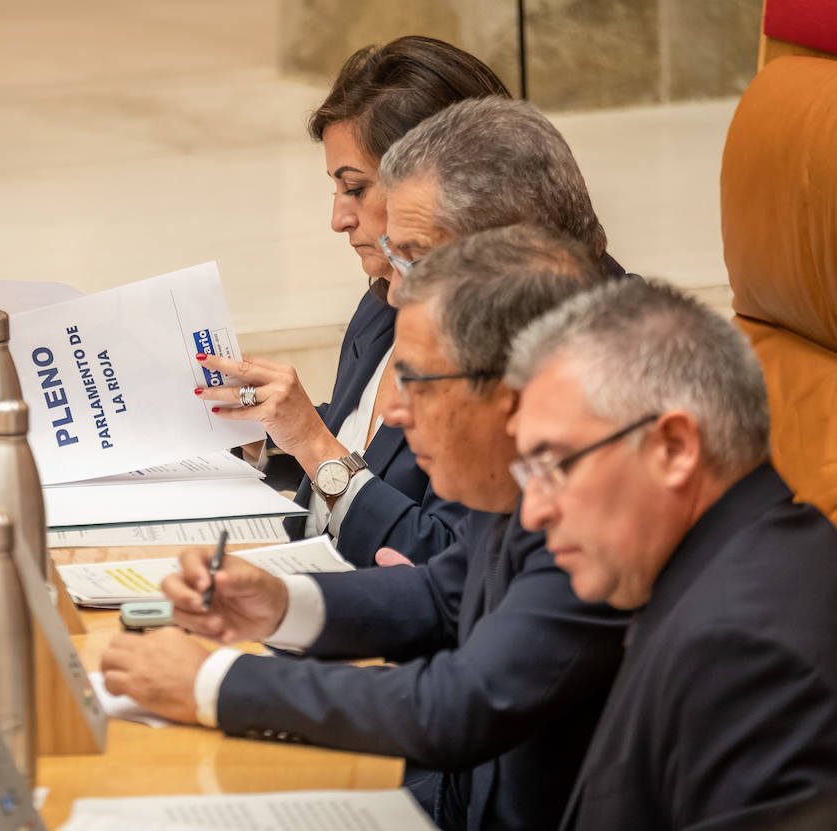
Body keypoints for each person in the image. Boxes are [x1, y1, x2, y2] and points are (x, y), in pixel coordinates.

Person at [105, 224, 629, 831]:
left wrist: (214, 682)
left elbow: (458, 706)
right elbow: (442, 592)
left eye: (418, 383)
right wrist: (277, 603)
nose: (395, 414)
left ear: (514, 395)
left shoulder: (599, 516)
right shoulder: (529, 484)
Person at [505, 279, 837, 831]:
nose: (533, 513)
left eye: (555, 466)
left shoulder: (744, 654)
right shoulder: (727, 566)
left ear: (674, 448)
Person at [204, 37, 509, 567]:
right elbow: (367, 450)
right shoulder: (384, 303)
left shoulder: (514, 344)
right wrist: (256, 429)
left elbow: (451, 567)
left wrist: (313, 442)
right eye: (336, 189)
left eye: (356, 189)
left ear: (443, 185)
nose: (338, 219)